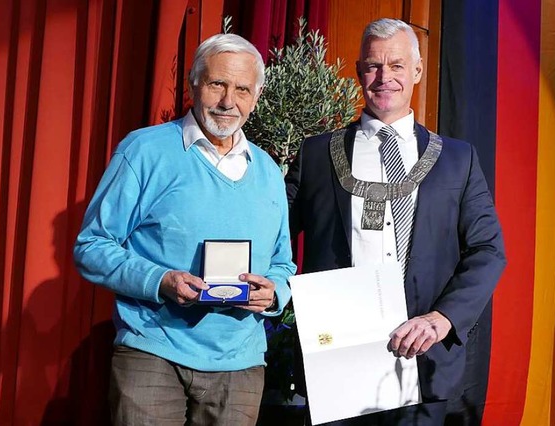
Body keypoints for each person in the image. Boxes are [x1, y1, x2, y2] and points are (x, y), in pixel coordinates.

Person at [285, 18, 506, 425]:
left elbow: (488, 250)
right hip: (337, 358)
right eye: (373, 66)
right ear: (357, 71)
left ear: (417, 71)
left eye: (397, 66)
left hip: (425, 358)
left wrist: (443, 318)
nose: (384, 77)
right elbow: (277, 238)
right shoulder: (316, 155)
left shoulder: (459, 159)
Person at [74, 33, 296, 426]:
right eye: (217, 84)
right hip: (153, 352)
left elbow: (282, 261)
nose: (229, 101)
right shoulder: (144, 151)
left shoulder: (268, 171)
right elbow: (91, 246)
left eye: (242, 89)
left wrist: (275, 292)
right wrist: (161, 280)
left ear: (256, 96)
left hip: (241, 365)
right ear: (194, 84)